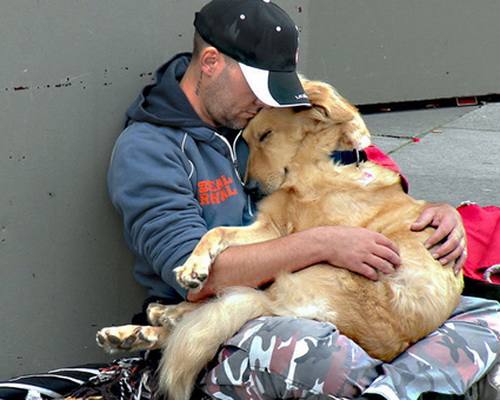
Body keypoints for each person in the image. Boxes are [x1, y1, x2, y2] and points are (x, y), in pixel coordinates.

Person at [107, 0, 500, 399]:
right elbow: (198, 279)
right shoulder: (149, 150)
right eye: (258, 87)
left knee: (492, 317)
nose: (265, 102)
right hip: (225, 320)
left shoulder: (259, 111)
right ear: (210, 62)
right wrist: (324, 243)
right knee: (328, 361)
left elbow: (359, 175)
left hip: (333, 292)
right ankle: (405, 384)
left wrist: (437, 214)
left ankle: (391, 389)